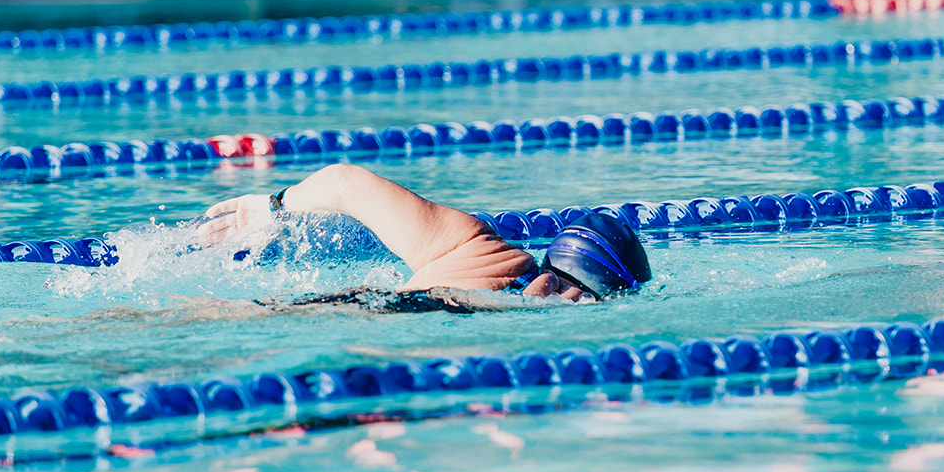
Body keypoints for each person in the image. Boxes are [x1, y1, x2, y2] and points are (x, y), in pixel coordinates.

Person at [197, 163, 651, 311]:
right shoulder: (566, 323)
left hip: (352, 307)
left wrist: (271, 207)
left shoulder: (473, 245)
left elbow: (344, 183)